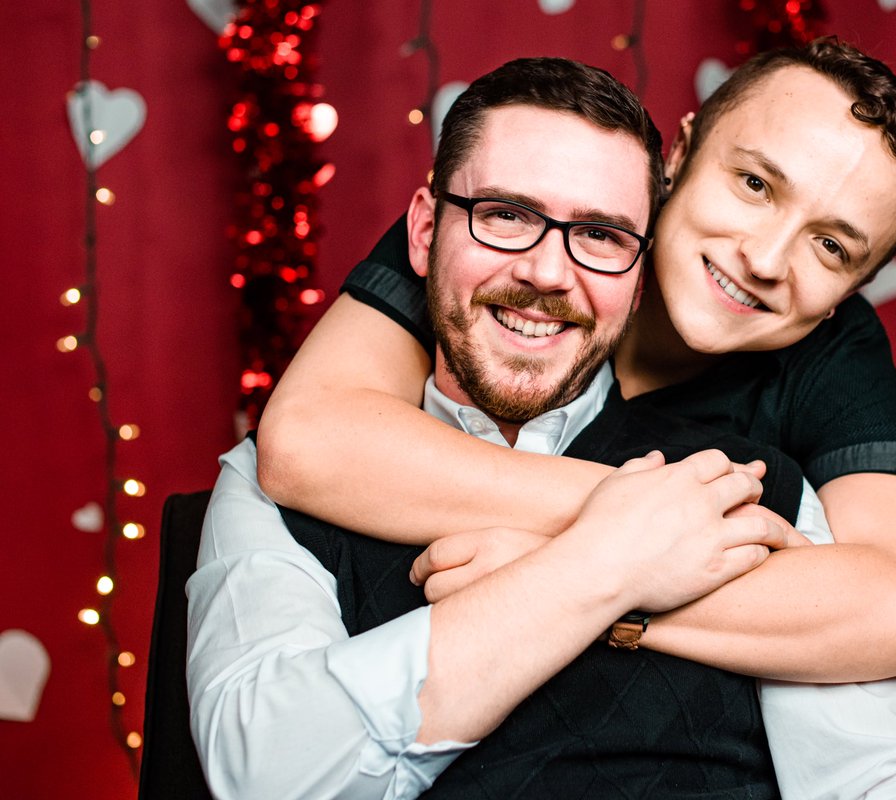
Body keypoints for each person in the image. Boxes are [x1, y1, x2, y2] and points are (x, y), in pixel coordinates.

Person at [187, 57, 794, 799]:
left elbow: (880, 771)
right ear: (422, 232)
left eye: (601, 234)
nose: (546, 271)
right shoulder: (271, 485)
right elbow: (268, 775)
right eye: (505, 214)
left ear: (639, 280)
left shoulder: (755, 487)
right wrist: (606, 561)